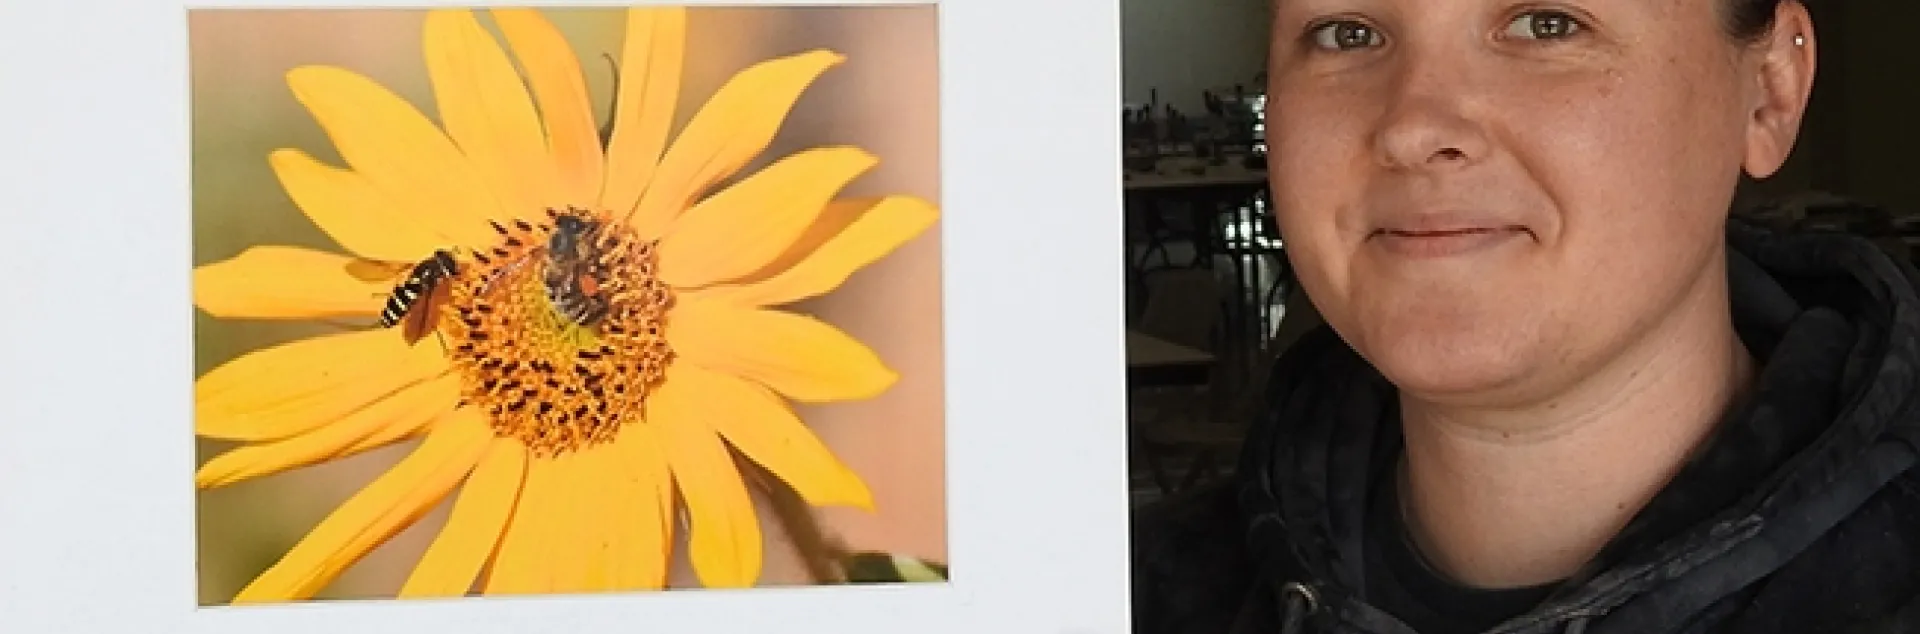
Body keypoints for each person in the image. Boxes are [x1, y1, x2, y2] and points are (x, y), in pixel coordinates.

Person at [1130, 0, 1920, 632]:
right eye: (1347, 32)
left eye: (1548, 24)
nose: (1413, 127)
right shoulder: (1110, 596)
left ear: (1771, 92)